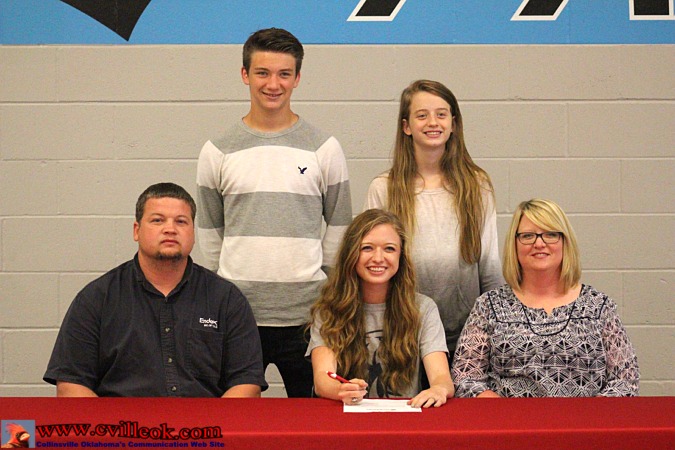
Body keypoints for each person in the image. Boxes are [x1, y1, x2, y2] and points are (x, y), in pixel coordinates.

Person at [196, 28, 352, 398]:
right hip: (237, 316)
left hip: (308, 317)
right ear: (244, 74)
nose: (273, 84)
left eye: (284, 74)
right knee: (235, 420)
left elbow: (340, 224)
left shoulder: (324, 149)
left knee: (314, 420)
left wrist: (319, 281)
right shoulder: (217, 151)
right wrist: (229, 287)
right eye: (262, 73)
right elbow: (210, 231)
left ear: (297, 78)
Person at [44, 183, 267, 397]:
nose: (170, 229)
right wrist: (114, 425)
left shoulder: (226, 299)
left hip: (205, 423)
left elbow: (247, 385)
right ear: (136, 230)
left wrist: (208, 424)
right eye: (158, 220)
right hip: (122, 422)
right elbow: (71, 386)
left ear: (193, 232)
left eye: (181, 221)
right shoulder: (96, 299)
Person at [365, 79, 503, 365]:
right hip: (403, 333)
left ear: (453, 124)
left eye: (441, 114)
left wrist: (498, 323)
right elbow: (370, 266)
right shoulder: (384, 188)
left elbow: (489, 264)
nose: (433, 122)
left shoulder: (476, 185)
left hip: (465, 334)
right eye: (422, 115)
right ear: (406, 126)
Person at [452, 198, 640, 397]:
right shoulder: (489, 306)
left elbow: (625, 380)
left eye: (550, 234)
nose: (539, 243)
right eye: (528, 236)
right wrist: (499, 408)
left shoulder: (598, 306)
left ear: (565, 242)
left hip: (585, 417)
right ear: (514, 245)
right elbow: (465, 378)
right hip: (509, 416)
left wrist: (588, 415)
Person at [307, 209, 454, 407]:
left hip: (405, 416)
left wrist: (439, 389)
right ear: (351, 253)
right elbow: (322, 380)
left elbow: (442, 378)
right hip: (347, 415)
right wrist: (341, 390)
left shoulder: (423, 309)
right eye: (367, 248)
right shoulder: (327, 311)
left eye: (389, 249)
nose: (378, 258)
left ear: (401, 256)